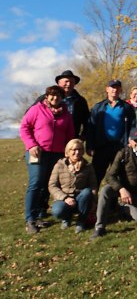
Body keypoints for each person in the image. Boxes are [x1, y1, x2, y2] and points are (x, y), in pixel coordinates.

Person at [20, 85, 76, 234]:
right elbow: (24, 127)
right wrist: (31, 145)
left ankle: (39, 214)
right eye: (52, 95)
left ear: (62, 98)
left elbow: (70, 134)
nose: (55, 98)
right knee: (36, 182)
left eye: (58, 95)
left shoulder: (66, 113)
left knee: (47, 184)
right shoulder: (37, 109)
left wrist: (68, 152)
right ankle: (30, 219)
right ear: (47, 96)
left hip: (57, 154)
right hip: (37, 152)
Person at [91, 129, 137, 239]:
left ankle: (124, 209)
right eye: (135, 140)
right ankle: (100, 227)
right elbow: (110, 176)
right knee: (105, 190)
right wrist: (121, 189)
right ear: (130, 141)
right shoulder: (123, 153)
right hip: (123, 192)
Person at [86, 79, 137, 186]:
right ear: (107, 89)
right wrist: (89, 146)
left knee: (120, 175)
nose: (115, 90)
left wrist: (131, 141)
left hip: (120, 147)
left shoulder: (126, 108)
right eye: (112, 87)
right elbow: (91, 127)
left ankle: (118, 196)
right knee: (96, 176)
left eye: (117, 88)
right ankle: (92, 196)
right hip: (101, 146)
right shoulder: (98, 107)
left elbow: (133, 126)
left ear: (120, 90)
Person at [48, 138, 97, 233]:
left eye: (79, 149)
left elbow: (93, 185)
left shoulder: (88, 166)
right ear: (68, 152)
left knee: (87, 192)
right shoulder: (59, 165)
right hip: (64, 199)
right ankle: (66, 218)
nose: (77, 152)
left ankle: (81, 222)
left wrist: (94, 202)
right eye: (74, 150)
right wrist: (65, 198)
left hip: (81, 199)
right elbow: (52, 185)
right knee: (57, 211)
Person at [34, 70, 89, 139]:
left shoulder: (80, 101)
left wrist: (83, 136)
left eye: (71, 82)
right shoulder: (45, 98)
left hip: (71, 139)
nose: (68, 84)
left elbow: (87, 121)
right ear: (59, 83)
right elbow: (29, 118)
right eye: (66, 81)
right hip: (46, 139)